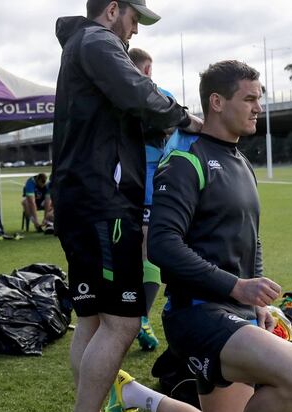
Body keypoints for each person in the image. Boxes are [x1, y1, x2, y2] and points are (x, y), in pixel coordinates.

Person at [107, 61, 292, 412]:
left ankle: (137, 395)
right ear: (217, 102)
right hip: (197, 315)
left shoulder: (241, 163)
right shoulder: (185, 162)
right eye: (249, 98)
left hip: (239, 315)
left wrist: (256, 300)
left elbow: (252, 238)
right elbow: (162, 245)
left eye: (260, 98)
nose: (258, 107)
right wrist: (236, 286)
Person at [51, 0, 203, 412]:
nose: (136, 31)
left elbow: (124, 113)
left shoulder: (80, 45)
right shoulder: (98, 40)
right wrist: (182, 118)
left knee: (94, 321)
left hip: (83, 199)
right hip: (102, 203)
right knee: (122, 323)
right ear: (113, 9)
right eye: (135, 20)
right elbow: (140, 93)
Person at [127, 47, 170, 353]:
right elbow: (176, 121)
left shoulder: (110, 97)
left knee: (127, 257)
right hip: (148, 190)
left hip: (117, 190)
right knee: (149, 254)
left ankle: (131, 317)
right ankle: (140, 318)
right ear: (145, 70)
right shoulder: (155, 93)